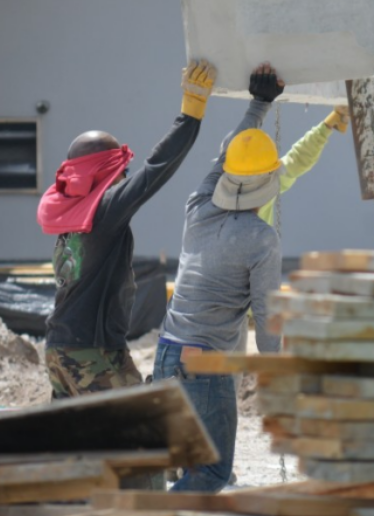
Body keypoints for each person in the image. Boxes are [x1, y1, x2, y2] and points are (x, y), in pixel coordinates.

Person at [154, 63, 348, 493]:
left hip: (166, 353)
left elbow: (227, 155)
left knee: (191, 468)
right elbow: (267, 315)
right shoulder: (261, 238)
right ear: (268, 180)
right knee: (212, 475)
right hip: (207, 363)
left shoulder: (198, 205)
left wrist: (259, 103)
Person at [36, 59, 217, 399]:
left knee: (76, 443)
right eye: (121, 171)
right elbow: (155, 170)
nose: (125, 178)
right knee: (144, 423)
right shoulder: (104, 209)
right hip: (91, 350)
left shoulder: (74, 214)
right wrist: (190, 114)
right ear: (108, 171)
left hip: (62, 347)